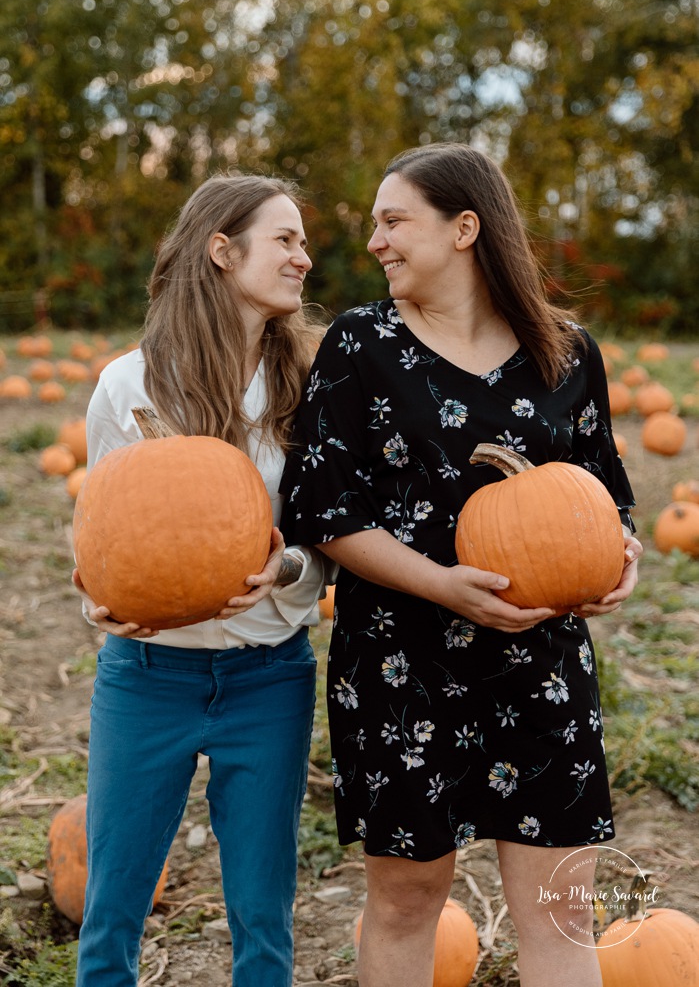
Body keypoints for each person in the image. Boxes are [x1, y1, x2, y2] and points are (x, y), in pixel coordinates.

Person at [280, 142, 643, 987]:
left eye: (394, 220)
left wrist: (620, 559)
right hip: (402, 663)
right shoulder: (360, 345)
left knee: (560, 912)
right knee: (406, 904)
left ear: (464, 229)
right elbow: (323, 510)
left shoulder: (564, 352)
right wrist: (440, 584)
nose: (375, 240)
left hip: (539, 665)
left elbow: (606, 495)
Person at [72, 171, 332, 987]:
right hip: (147, 675)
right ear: (223, 250)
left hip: (268, 674)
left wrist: (284, 569)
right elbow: (107, 528)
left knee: (263, 913)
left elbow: (326, 540)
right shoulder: (129, 385)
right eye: (284, 239)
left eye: (302, 241)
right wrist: (96, 594)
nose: (304, 256)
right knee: (112, 906)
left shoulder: (309, 386)